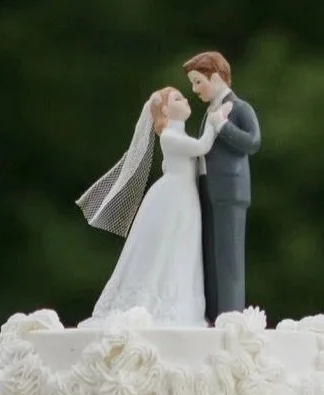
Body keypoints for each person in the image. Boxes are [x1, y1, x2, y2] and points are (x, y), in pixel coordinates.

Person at [78, 85, 231, 327]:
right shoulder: (169, 137)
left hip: (184, 197)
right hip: (173, 198)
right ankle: (154, 302)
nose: (186, 100)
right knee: (168, 245)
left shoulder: (179, 136)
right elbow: (202, 146)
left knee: (183, 245)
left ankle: (182, 303)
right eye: (177, 98)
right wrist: (215, 122)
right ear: (166, 111)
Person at [183, 50, 261, 321]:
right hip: (207, 187)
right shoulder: (210, 111)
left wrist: (224, 126)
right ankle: (212, 314)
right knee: (210, 254)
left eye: (198, 82)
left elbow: (253, 142)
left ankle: (230, 316)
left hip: (229, 190)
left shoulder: (239, 109)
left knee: (229, 256)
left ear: (215, 77)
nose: (195, 89)